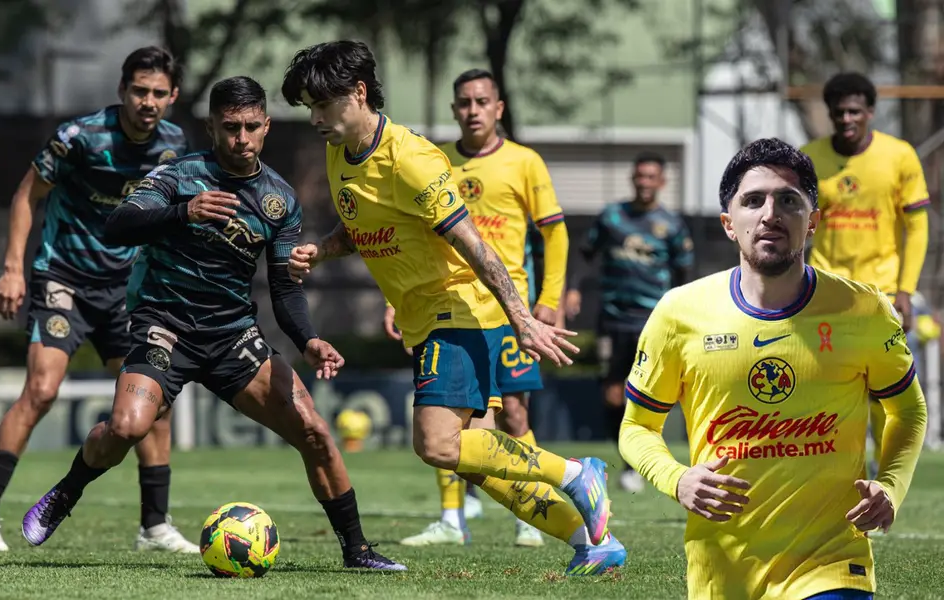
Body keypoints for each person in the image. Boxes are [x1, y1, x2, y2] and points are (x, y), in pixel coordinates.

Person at [19, 75, 406, 571]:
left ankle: (357, 550)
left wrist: (308, 340)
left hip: (231, 337)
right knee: (126, 427)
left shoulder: (280, 199)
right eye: (230, 127)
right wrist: (185, 212)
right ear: (212, 128)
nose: (241, 138)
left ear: (266, 127)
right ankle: (66, 492)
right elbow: (117, 226)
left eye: (251, 127)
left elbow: (285, 289)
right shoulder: (178, 176)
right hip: (165, 327)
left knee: (313, 430)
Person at [281, 40, 625, 576]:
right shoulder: (339, 150)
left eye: (323, 105)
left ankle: (577, 474)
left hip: (458, 312)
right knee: (477, 459)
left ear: (359, 93)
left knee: (436, 444)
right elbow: (361, 227)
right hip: (425, 320)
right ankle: (592, 542)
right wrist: (321, 250)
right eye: (310, 108)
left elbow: (475, 247)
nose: (315, 119)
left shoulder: (412, 160)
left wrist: (524, 319)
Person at [620, 138, 927, 600]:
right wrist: (677, 479)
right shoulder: (678, 313)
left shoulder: (864, 309)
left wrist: (890, 486)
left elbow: (908, 411)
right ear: (728, 223)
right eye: (753, 201)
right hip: (722, 571)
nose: (770, 214)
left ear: (813, 221)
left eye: (788, 200)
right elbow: (637, 427)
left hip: (831, 564)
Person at [0, 47, 197, 554]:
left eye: (159, 93)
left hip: (127, 291)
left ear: (173, 97)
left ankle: (154, 526)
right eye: (139, 90)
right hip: (64, 280)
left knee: (153, 403)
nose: (148, 101)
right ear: (122, 90)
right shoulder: (80, 137)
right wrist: (12, 269)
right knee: (41, 390)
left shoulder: (175, 145)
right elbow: (26, 195)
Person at [389, 68, 570, 549]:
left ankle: (532, 515)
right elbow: (412, 239)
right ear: (454, 109)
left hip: (508, 310)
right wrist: (396, 298)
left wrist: (548, 300)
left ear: (498, 108)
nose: (473, 110)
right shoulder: (436, 161)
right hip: (450, 305)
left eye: (482, 101)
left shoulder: (524, 161)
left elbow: (554, 232)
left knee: (515, 414)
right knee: (451, 417)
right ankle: (452, 519)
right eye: (465, 102)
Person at [799, 72, 931, 475]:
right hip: (826, 290)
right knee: (830, 386)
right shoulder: (808, 159)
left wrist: (905, 290)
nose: (847, 119)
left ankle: (882, 471)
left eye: (855, 111)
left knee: (882, 387)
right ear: (829, 113)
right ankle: (840, 468)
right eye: (839, 112)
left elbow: (917, 227)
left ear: (870, 112)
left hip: (882, 292)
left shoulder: (899, 155)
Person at [570, 152, 693, 492]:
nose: (644, 183)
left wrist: (683, 314)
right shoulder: (612, 217)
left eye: (651, 177)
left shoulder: (672, 225)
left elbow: (684, 274)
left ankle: (649, 460)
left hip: (654, 322)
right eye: (640, 176)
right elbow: (584, 254)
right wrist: (573, 289)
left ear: (662, 182)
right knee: (612, 394)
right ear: (632, 178)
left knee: (650, 393)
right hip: (613, 319)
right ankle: (629, 463)